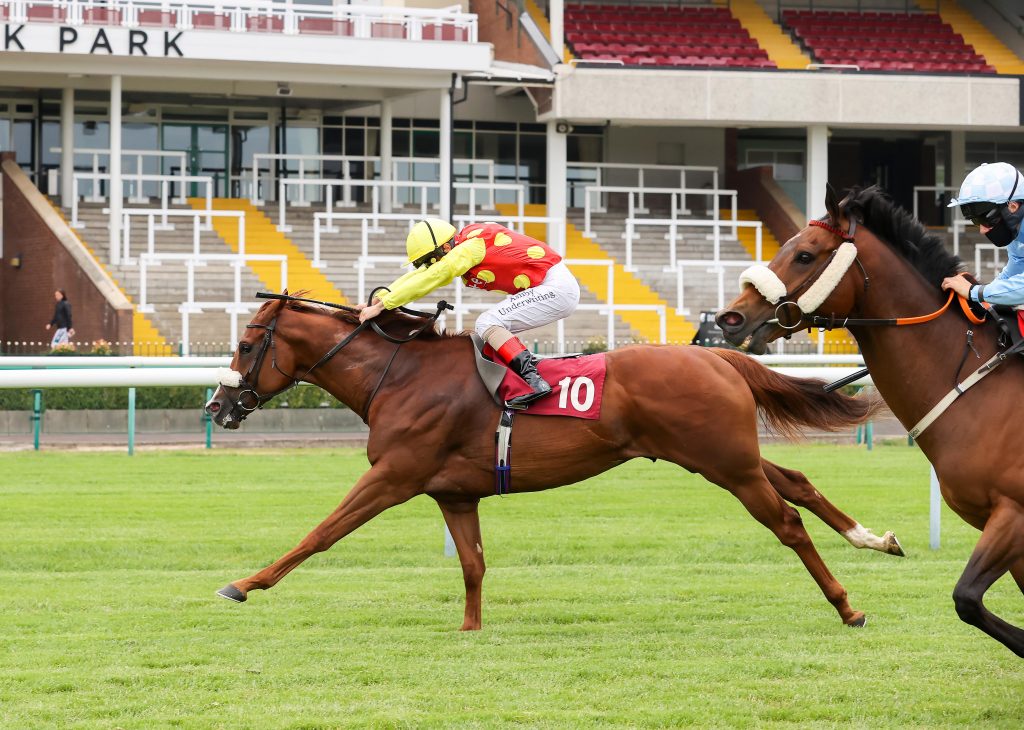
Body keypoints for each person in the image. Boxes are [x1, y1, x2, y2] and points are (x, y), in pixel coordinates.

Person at [358, 219, 580, 408]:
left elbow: (435, 275)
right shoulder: (464, 243)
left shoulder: (470, 247)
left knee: (488, 322)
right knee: (490, 328)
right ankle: (515, 381)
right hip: (550, 286)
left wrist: (383, 306)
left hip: (556, 288)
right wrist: (381, 299)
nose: (428, 265)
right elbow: (426, 273)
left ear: (445, 248)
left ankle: (534, 380)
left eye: (429, 259)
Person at [942, 162, 1024, 304]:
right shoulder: (1017, 233)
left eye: (986, 219)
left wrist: (973, 291)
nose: (982, 230)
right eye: (975, 221)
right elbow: (1014, 270)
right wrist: (984, 297)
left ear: (1013, 206)